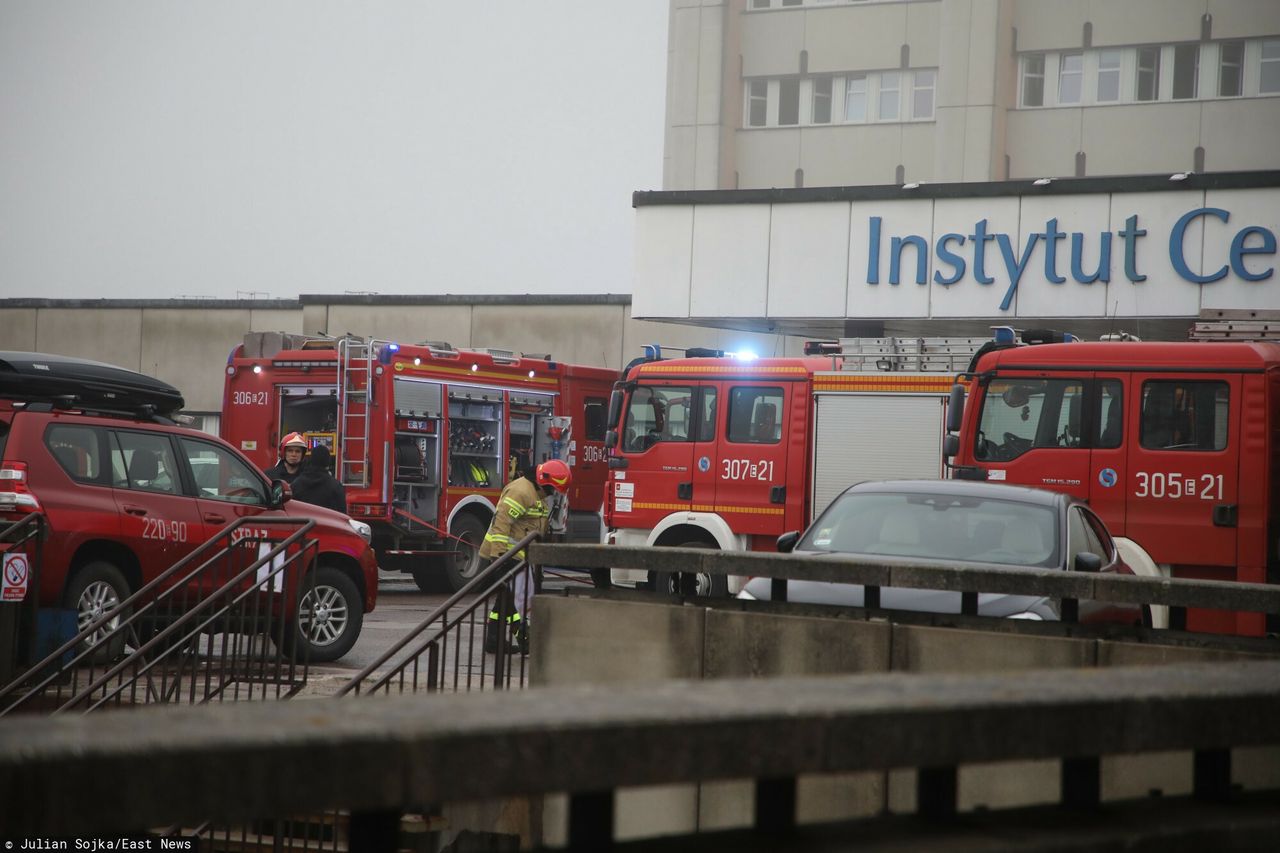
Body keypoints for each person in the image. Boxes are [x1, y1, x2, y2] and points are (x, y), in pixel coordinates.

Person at [480, 459, 572, 654]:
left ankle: (493, 640)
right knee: (520, 601)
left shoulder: (536, 492)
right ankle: (526, 639)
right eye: (552, 489)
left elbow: (533, 525)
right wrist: (498, 557)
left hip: (520, 557)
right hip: (507, 555)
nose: (552, 493)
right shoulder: (521, 492)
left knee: (505, 600)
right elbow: (502, 524)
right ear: (544, 482)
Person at [289, 444, 347, 514]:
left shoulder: (296, 484)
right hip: (326, 524)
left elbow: (290, 510)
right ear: (327, 462)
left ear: (311, 460)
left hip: (304, 524)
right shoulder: (336, 486)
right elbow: (342, 515)